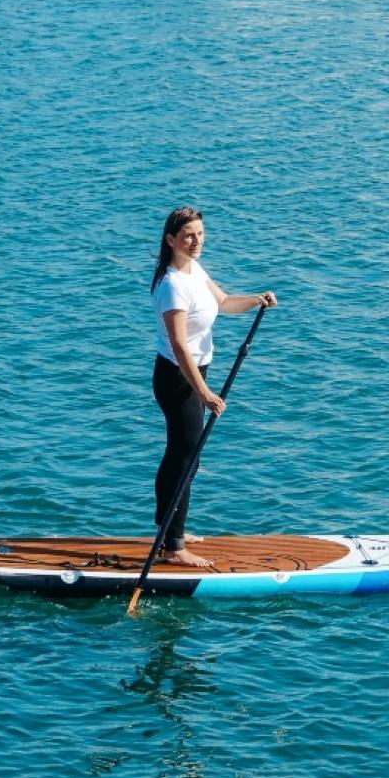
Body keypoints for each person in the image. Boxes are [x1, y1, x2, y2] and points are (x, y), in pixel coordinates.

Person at [150, 206, 276, 568]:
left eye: (200, 234)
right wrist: (205, 394)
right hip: (178, 379)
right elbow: (179, 346)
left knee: (181, 455)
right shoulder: (172, 285)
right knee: (185, 458)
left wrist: (255, 300)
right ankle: (174, 547)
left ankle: (167, 529)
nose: (196, 241)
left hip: (191, 375)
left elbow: (223, 303)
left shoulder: (194, 271)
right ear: (171, 239)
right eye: (188, 235)